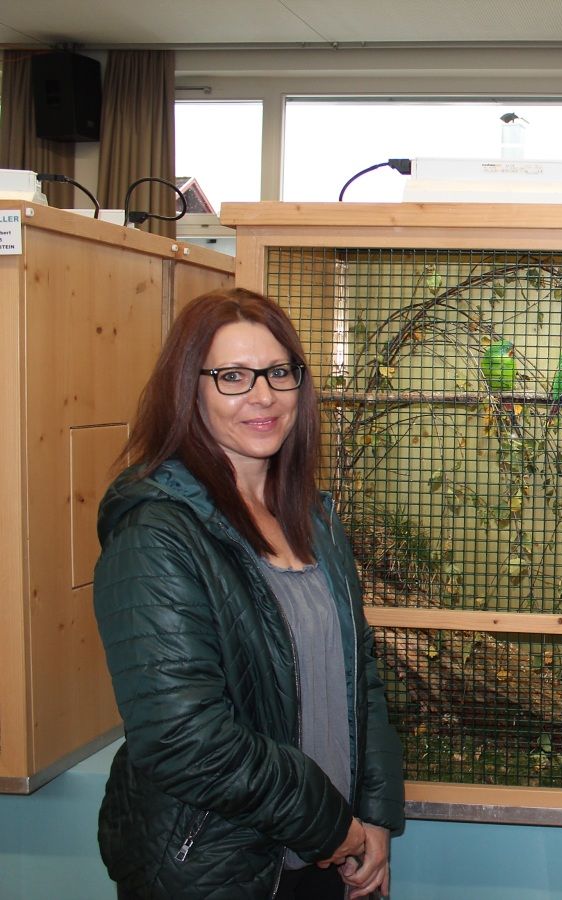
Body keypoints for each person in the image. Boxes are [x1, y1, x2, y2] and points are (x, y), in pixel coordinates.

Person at [93, 287, 405, 899]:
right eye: (232, 377)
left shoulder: (314, 517)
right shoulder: (156, 533)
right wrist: (330, 824)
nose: (263, 396)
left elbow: (360, 674)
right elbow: (183, 738)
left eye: (278, 372)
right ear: (189, 390)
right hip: (221, 867)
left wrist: (374, 816)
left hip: (326, 856)